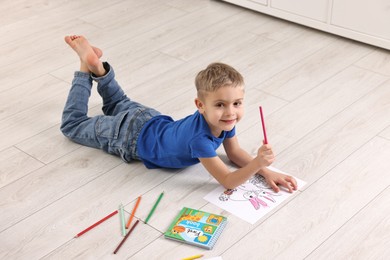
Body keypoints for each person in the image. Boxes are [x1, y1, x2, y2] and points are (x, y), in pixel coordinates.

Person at [61, 35, 297, 192]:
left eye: (237, 103)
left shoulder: (225, 121)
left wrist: (267, 172)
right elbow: (227, 181)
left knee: (117, 102)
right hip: (129, 137)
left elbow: (234, 153)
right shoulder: (200, 140)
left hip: (149, 119)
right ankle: (86, 65)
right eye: (220, 105)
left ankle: (98, 67)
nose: (230, 112)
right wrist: (257, 163)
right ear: (200, 105)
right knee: (73, 125)